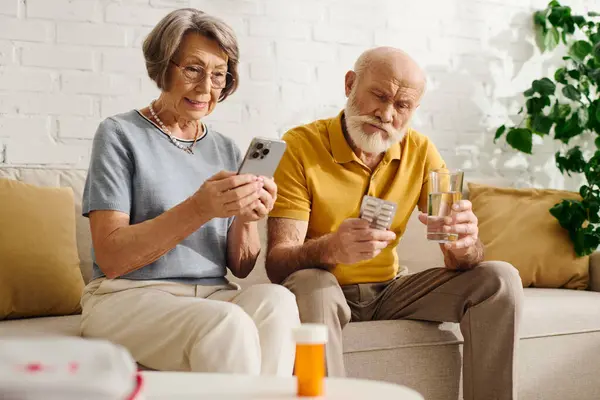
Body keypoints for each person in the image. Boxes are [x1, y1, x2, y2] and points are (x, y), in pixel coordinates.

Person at [266, 46, 524, 399]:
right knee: (313, 285)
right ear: (350, 84)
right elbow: (278, 262)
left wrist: (464, 245)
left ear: (413, 110)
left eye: (401, 105)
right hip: (324, 288)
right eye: (379, 95)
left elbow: (460, 257)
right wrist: (331, 248)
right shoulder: (299, 146)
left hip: (390, 290)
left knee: (500, 279)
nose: (386, 114)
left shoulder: (420, 151)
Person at [80, 8, 299, 376]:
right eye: (193, 70)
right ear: (163, 66)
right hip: (127, 296)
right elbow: (112, 257)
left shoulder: (226, 148)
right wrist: (199, 208)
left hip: (213, 294)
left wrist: (246, 218)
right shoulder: (119, 134)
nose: (206, 88)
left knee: (278, 300)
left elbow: (242, 267)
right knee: (226, 323)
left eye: (218, 75)